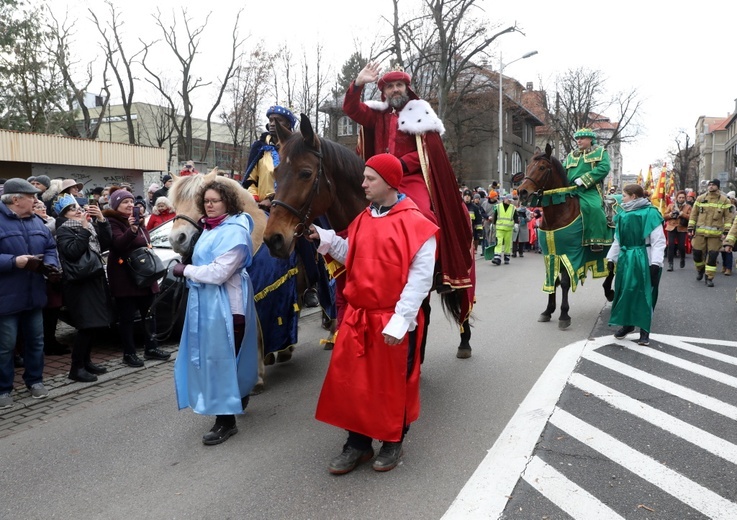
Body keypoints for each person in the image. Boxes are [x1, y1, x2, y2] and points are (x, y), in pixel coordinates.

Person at [308, 154, 437, 474]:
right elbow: (352, 255)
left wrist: (401, 320)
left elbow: (420, 279)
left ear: (390, 182)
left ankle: (393, 442)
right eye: (364, 177)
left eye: (370, 178)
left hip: (392, 319)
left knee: (393, 386)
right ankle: (357, 443)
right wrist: (325, 239)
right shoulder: (364, 218)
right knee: (354, 384)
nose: (363, 184)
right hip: (359, 317)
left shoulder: (417, 224)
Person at [343, 62, 474, 354]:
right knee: (356, 219)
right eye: (389, 86)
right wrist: (358, 83)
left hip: (411, 177)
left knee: (424, 216)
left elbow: (426, 153)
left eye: (399, 85)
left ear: (406, 87)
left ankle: (437, 270)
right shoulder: (375, 114)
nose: (395, 90)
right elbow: (351, 109)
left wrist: (402, 164)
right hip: (379, 178)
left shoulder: (419, 111)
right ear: (384, 91)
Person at [171, 179, 259, 445]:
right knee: (223, 360)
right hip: (208, 306)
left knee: (221, 362)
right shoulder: (209, 228)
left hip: (228, 308)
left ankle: (225, 421)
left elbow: (219, 273)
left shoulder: (235, 232)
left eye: (215, 201)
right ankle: (237, 395)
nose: (209, 206)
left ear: (228, 203)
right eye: (206, 202)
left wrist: (183, 270)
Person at [0, 178, 60, 408]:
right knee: (5, 347)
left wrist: (52, 266)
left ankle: (35, 380)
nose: (36, 200)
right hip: (6, 298)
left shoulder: (37, 222)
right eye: (31, 196)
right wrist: (14, 261)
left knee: (36, 342)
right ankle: (4, 389)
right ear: (15, 199)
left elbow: (50, 247)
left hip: (34, 295)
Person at [102, 188, 171, 367]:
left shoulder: (138, 220)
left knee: (149, 314)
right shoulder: (112, 221)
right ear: (116, 205)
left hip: (145, 275)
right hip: (125, 276)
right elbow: (117, 244)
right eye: (125, 202)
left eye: (131, 201)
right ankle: (129, 353)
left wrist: (138, 228)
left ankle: (151, 347)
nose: (130, 205)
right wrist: (132, 229)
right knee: (127, 318)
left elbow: (145, 241)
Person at [54, 195, 113, 383]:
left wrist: (101, 220)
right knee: (86, 325)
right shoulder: (64, 230)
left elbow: (106, 244)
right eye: (73, 209)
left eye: (79, 207)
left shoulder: (87, 226)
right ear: (64, 215)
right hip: (79, 283)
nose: (79, 210)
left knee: (94, 324)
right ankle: (76, 367)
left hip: (94, 279)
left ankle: (86, 362)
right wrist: (85, 230)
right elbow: (72, 252)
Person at [607, 184, 665, 346]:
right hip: (626, 258)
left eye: (624, 196)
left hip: (643, 257)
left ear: (633, 196)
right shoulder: (623, 213)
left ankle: (644, 330)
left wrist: (655, 263)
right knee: (625, 292)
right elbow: (618, 239)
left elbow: (658, 241)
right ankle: (628, 325)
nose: (622, 198)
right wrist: (611, 258)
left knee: (644, 293)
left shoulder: (650, 213)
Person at [562, 128, 612, 251]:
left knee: (594, 208)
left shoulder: (600, 152)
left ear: (590, 139)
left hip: (590, 189)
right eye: (577, 138)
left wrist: (584, 179)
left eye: (582, 138)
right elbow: (563, 171)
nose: (579, 141)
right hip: (570, 189)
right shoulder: (570, 156)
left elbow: (604, 168)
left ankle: (596, 240)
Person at [242, 105, 298, 207]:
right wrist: (254, 200)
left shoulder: (297, 150)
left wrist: (272, 199)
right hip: (261, 207)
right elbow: (250, 181)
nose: (272, 124)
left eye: (278, 120)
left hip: (289, 209)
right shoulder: (259, 148)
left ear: (288, 124)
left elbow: (298, 183)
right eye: (270, 120)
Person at [687, 179, 734, 287]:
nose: (711, 186)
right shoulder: (700, 198)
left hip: (715, 235)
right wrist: (690, 227)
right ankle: (700, 269)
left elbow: (728, 217)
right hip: (700, 233)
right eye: (710, 185)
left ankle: (709, 277)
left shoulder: (724, 200)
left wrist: (727, 231)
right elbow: (694, 214)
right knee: (697, 254)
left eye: (713, 185)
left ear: (718, 186)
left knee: (712, 256)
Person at [663, 190, 691, 271]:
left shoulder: (688, 207)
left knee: (681, 246)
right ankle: (670, 264)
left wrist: (683, 214)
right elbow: (664, 216)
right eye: (680, 197)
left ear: (685, 198)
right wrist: (670, 215)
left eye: (683, 197)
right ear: (676, 198)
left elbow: (691, 217)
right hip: (671, 227)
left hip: (681, 228)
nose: (681, 199)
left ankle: (682, 258)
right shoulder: (671, 206)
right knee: (670, 245)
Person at [491, 194, 518, 265]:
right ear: (505, 199)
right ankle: (497, 257)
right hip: (499, 228)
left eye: (510, 201)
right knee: (498, 242)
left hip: (509, 229)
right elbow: (495, 215)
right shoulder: (498, 207)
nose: (509, 202)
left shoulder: (513, 208)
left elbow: (516, 216)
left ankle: (507, 257)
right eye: (508, 200)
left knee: (508, 243)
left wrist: (516, 224)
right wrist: (493, 224)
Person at [463, 190, 485, 254]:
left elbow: (478, 220)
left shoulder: (475, 208)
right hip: (462, 231)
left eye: (468, 196)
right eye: (465, 196)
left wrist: (479, 233)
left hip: (472, 231)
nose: (467, 197)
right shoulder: (459, 206)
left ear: (471, 197)